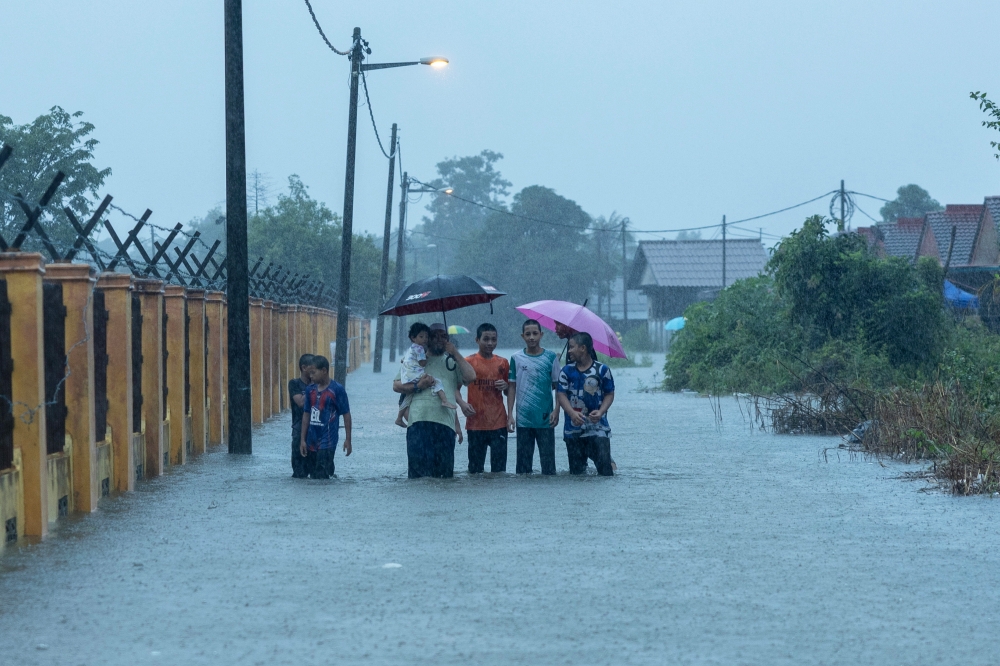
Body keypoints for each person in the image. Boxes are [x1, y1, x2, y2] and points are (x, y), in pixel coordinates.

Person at [393, 323, 476, 478]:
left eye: (443, 336)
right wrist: (418, 385)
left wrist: (455, 353)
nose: (439, 339)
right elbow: (396, 385)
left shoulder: (452, 362)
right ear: (427, 338)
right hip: (418, 424)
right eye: (434, 335)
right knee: (418, 479)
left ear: (448, 339)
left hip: (445, 425)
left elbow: (471, 377)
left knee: (444, 478)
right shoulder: (413, 359)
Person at [557, 332, 615, 476]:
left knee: (605, 473)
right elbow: (561, 394)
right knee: (577, 475)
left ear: (583, 348)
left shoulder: (602, 370)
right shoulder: (566, 371)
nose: (569, 351)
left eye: (572, 347)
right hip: (573, 431)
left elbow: (609, 393)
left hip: (599, 429)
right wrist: (571, 413)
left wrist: (601, 411)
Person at [508, 319, 561, 475]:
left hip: (546, 418)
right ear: (522, 336)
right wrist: (510, 415)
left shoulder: (551, 357)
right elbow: (511, 387)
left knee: (549, 467)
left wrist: (557, 410)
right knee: (523, 470)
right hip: (523, 419)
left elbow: (559, 387)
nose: (532, 337)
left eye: (535, 333)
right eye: (528, 334)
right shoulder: (516, 358)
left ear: (541, 335)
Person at [456, 323, 510, 473]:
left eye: (494, 339)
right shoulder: (468, 362)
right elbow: (455, 389)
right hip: (475, 423)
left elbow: (509, 392)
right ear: (477, 340)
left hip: (498, 423)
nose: (490, 343)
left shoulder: (503, 363)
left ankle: (496, 498)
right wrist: (462, 404)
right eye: (486, 339)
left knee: (499, 472)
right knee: (474, 471)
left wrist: (506, 386)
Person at [299, 355, 352, 479]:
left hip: (328, 440)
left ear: (324, 371)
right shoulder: (310, 390)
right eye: (309, 373)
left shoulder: (337, 390)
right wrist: (302, 440)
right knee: (313, 476)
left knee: (322, 475)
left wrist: (348, 439)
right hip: (311, 440)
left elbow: (346, 414)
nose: (310, 376)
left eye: (313, 373)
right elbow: (306, 415)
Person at [396, 322, 456, 427]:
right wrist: (426, 360)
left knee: (407, 397)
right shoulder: (420, 349)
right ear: (413, 338)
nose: (425, 339)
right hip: (415, 375)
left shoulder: (412, 348)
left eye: (426, 337)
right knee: (436, 381)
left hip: (408, 376)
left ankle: (399, 418)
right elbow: (422, 363)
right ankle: (444, 400)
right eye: (422, 337)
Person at [289, 353, 314, 478]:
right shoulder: (294, 384)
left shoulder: (321, 385)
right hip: (299, 431)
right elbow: (301, 402)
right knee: (299, 473)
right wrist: (313, 384)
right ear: (304, 368)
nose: (316, 371)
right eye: (313, 368)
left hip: (316, 432)